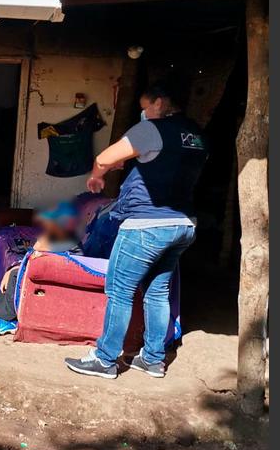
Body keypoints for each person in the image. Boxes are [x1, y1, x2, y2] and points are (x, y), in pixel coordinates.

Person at [65, 82, 208, 379]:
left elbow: (104, 158)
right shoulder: (196, 134)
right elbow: (165, 165)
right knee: (157, 292)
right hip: (183, 224)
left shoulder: (150, 130)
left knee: (119, 290)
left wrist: (96, 177)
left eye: (145, 107)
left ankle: (104, 359)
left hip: (147, 224)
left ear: (159, 103)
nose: (143, 113)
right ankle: (153, 360)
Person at [0, 201, 82, 335]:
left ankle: (8, 320)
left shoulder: (64, 237)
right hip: (56, 266)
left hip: (64, 271)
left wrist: (13, 269)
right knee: (14, 270)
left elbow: (37, 248)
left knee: (16, 274)